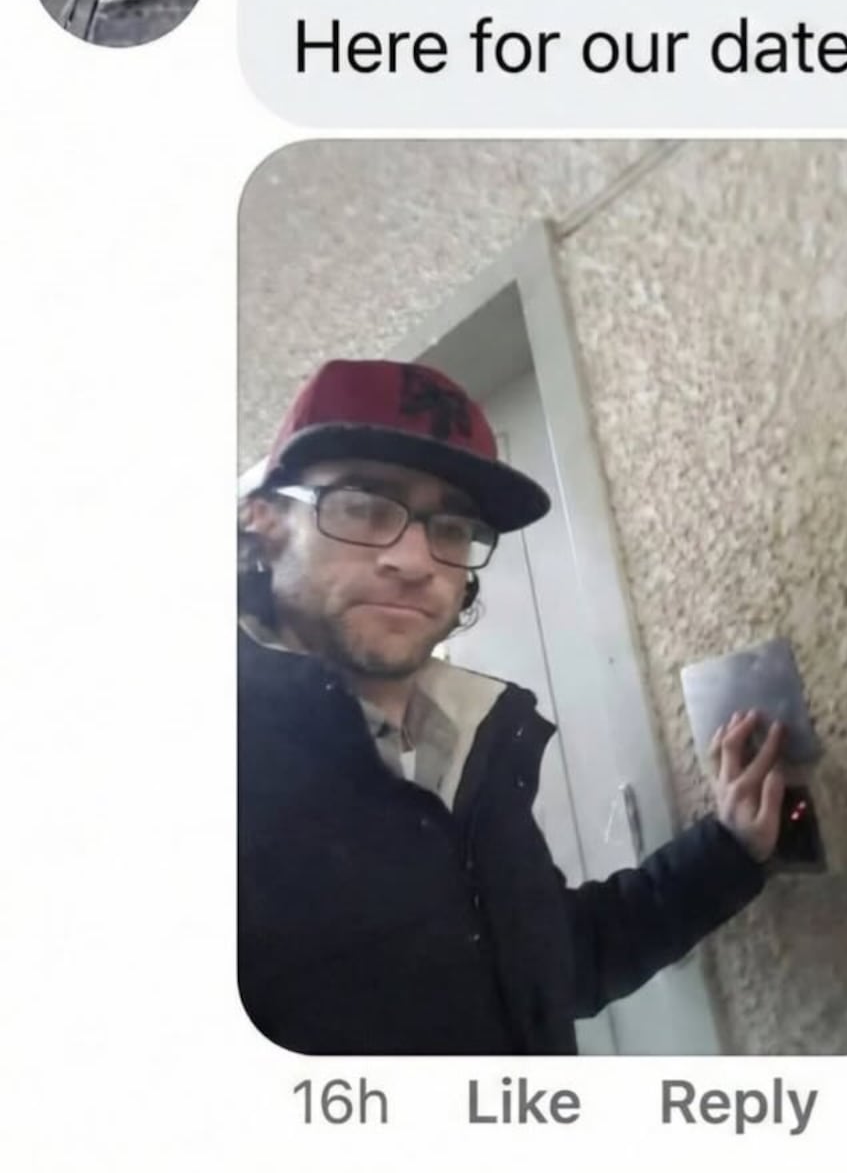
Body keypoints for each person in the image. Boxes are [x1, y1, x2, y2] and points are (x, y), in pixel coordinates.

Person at [238, 358, 784, 1054]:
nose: (416, 561)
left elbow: (556, 965)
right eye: (364, 504)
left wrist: (732, 849)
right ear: (266, 520)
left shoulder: (470, 746)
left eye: (450, 527)